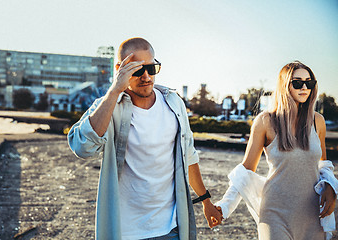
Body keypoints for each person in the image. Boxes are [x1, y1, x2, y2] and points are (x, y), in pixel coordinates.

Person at [68, 37, 222, 240]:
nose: (146, 76)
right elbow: (82, 147)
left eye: (151, 68)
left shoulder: (174, 103)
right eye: (137, 69)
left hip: (171, 228)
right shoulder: (109, 106)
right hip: (126, 231)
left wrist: (206, 201)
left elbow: (189, 157)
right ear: (119, 69)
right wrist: (115, 90)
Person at [215, 61, 338, 240]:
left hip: (312, 213)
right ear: (284, 85)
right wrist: (225, 206)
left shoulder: (317, 121)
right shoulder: (265, 121)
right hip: (275, 212)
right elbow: (246, 169)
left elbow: (324, 164)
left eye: (309, 83)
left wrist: (330, 186)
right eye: (297, 82)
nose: (304, 87)